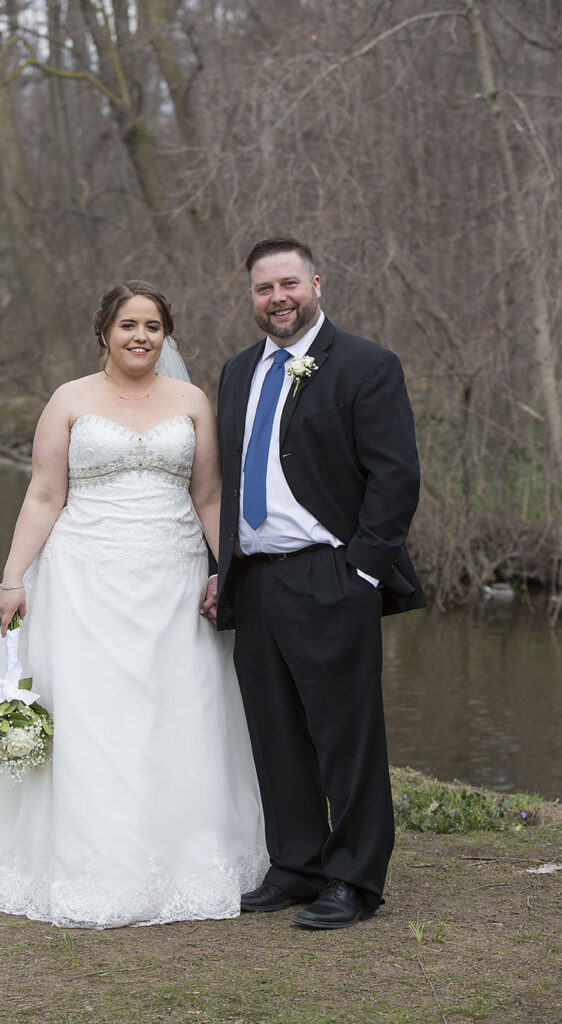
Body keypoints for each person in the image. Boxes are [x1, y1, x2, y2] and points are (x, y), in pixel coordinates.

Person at [0, 281, 267, 929]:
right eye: (127, 325)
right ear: (104, 333)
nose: (140, 336)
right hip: (84, 577)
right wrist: (12, 577)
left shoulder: (192, 401)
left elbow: (208, 496)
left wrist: (227, 569)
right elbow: (44, 494)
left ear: (166, 335)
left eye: (152, 326)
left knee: (178, 709)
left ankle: (186, 853)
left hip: (174, 580)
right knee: (94, 716)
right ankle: (89, 859)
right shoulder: (70, 400)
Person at [204, 237, 425, 929]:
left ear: (317, 284)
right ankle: (295, 865)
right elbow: (230, 482)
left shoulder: (366, 365)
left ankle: (354, 878)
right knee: (275, 732)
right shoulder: (238, 372)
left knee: (345, 734)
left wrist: (360, 568)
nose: (278, 298)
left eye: (289, 284)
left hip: (330, 572)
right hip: (258, 581)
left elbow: (396, 477)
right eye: (265, 288)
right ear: (252, 296)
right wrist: (222, 569)